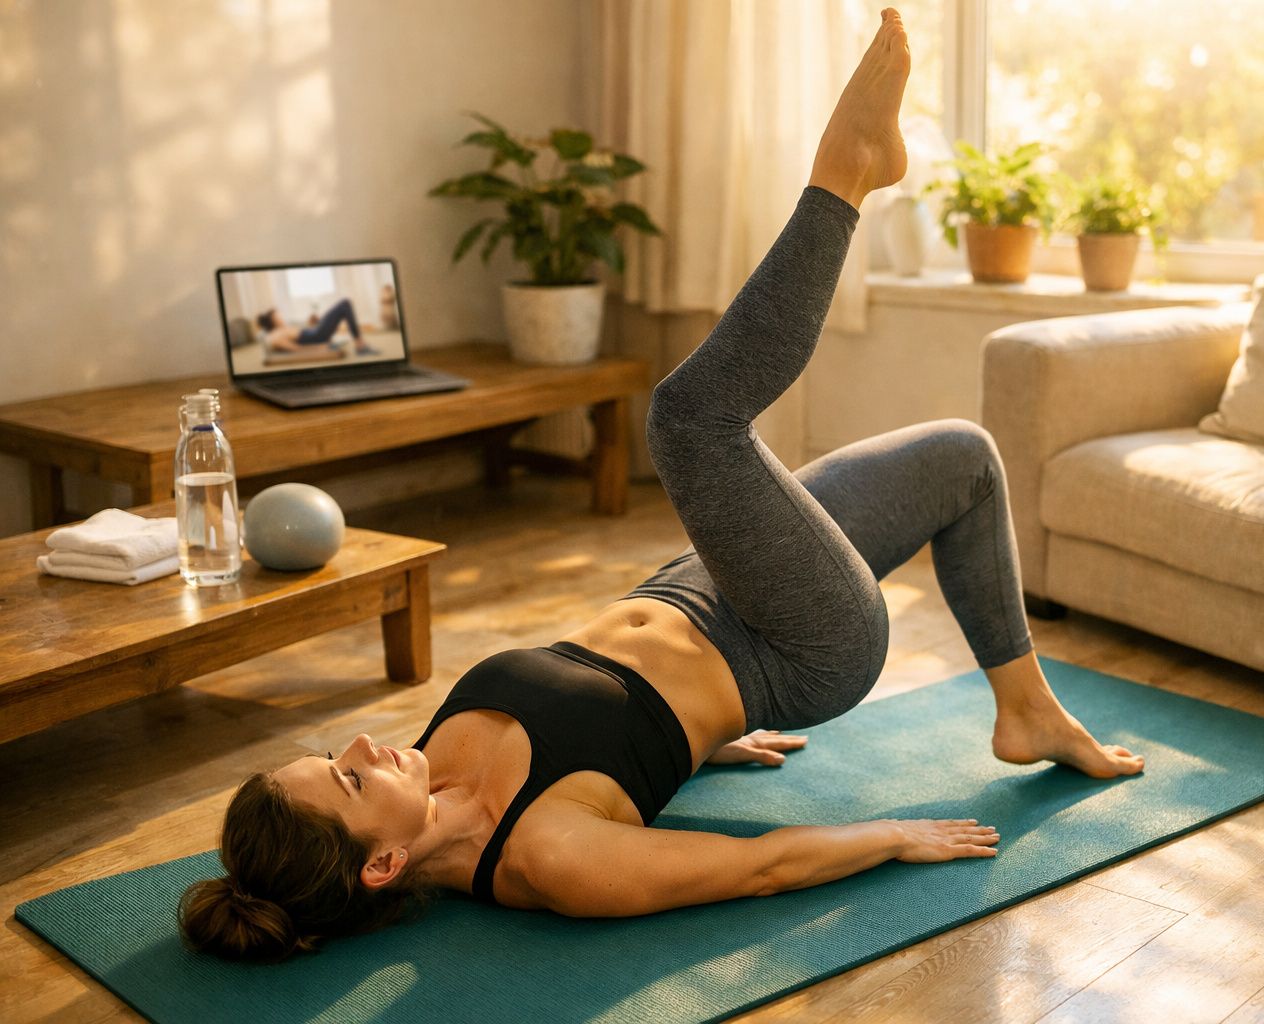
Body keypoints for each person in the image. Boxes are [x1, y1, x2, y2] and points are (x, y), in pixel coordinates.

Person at [180, 8, 1143, 963]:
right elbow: (751, 869)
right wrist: (893, 837)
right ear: (383, 866)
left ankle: (1028, 714)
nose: (359, 749)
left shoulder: (422, 776)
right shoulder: (550, 859)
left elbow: (605, 729)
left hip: (702, 583)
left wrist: (679, 751)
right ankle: (846, 170)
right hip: (795, 644)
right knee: (692, 424)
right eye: (349, 783)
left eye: (332, 758)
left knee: (964, 459)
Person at [257, 298, 380, 356]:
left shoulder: (280, 330)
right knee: (345, 304)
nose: (282, 318)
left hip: (316, 331)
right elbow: (297, 348)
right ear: (273, 321)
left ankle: (360, 344)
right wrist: (321, 347)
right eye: (278, 317)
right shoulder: (275, 336)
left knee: (344, 305)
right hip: (319, 335)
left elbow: (300, 334)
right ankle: (360, 345)